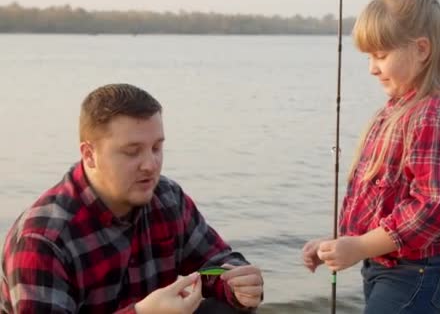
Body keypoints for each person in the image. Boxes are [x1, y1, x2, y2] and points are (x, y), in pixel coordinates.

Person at [1, 84, 264, 313]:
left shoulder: (167, 197)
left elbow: (216, 261)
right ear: (90, 154)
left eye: (156, 148)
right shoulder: (43, 239)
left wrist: (239, 284)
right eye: (132, 152)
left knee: (227, 308)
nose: (150, 165)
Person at [302, 0, 440, 314]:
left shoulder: (434, 115)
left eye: (381, 55)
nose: (372, 67)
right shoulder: (394, 111)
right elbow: (378, 200)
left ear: (422, 49)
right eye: (369, 56)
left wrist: (360, 246)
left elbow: (432, 208)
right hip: (390, 268)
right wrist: (341, 244)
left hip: (422, 272)